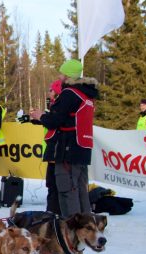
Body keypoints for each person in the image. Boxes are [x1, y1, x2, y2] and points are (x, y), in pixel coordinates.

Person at [29, 59, 98, 218]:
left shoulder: (69, 94)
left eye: (61, 73)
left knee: (67, 189)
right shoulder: (86, 94)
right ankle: (85, 225)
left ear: (67, 75)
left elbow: (55, 120)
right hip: (82, 149)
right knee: (80, 189)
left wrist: (41, 116)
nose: (59, 76)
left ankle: (71, 228)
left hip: (68, 149)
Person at [43, 79, 62, 214]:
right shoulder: (53, 106)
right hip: (51, 147)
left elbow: (53, 123)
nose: (48, 92)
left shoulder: (59, 107)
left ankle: (53, 213)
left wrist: (42, 117)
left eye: (51, 90)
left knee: (54, 184)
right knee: (51, 184)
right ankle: (51, 211)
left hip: (56, 148)